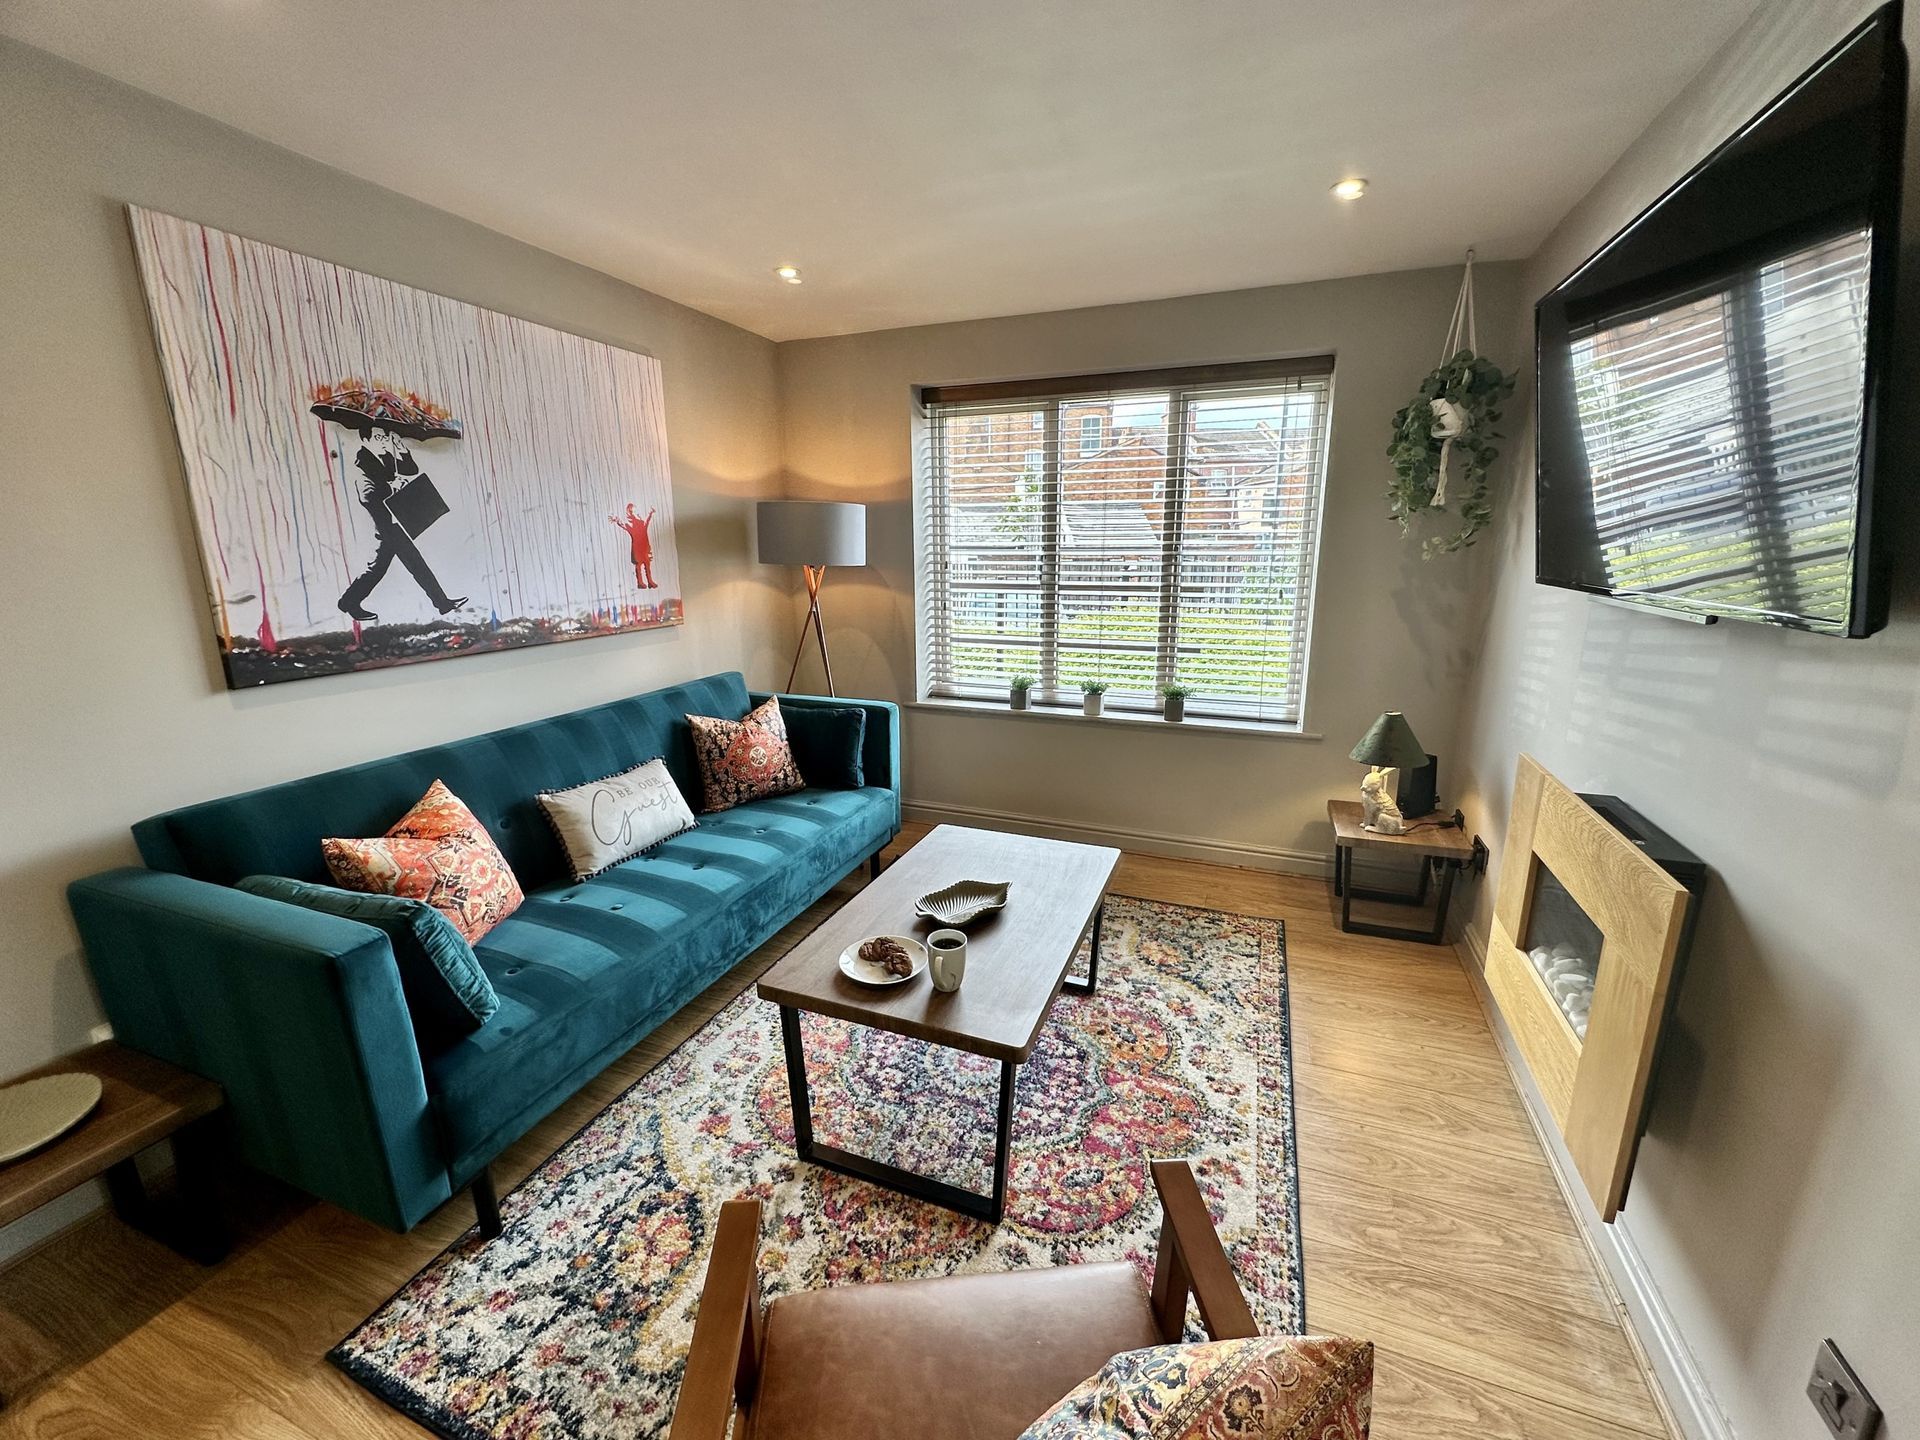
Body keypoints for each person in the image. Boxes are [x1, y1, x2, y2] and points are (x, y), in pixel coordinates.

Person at [338, 425, 466, 622]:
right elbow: (366, 496)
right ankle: (349, 601)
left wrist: (401, 449)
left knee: (390, 566)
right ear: (365, 440)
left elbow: (410, 470)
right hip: (382, 523)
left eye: (384, 437)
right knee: (400, 565)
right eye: (378, 437)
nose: (383, 441)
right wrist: (391, 488)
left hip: (394, 522)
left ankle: (349, 601)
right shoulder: (360, 462)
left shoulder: (387, 456)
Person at [610, 503, 658, 589]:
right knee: (639, 565)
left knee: (647, 565)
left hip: (644, 548)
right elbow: (623, 525)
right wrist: (617, 520)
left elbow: (647, 521)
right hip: (637, 549)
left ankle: (650, 581)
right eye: (635, 512)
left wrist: (650, 513)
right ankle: (640, 582)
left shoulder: (642, 523)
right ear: (631, 513)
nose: (638, 513)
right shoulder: (631, 526)